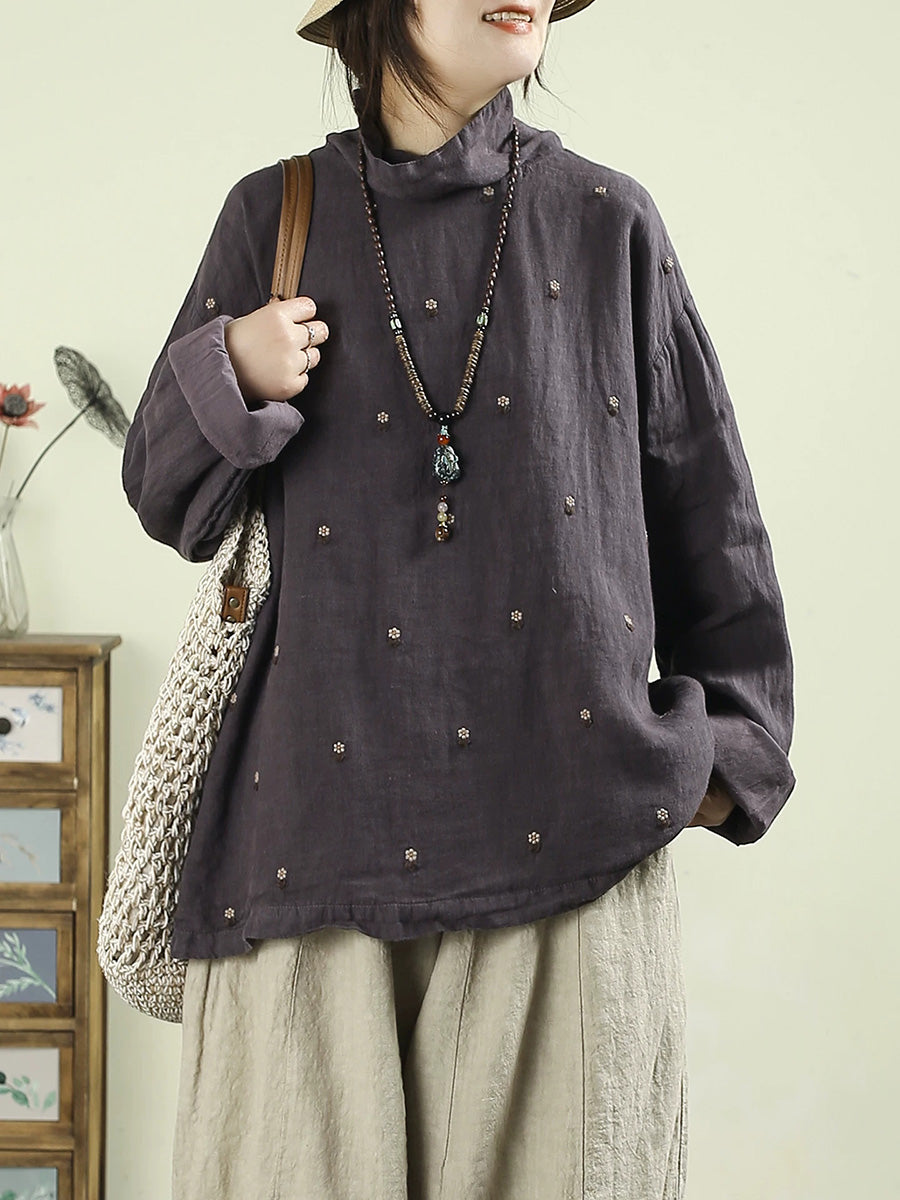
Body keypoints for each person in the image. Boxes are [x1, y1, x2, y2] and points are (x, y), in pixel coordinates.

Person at [122, 1, 796, 1196]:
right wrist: (232, 369)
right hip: (306, 870)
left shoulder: (609, 222)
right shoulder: (273, 216)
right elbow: (165, 498)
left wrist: (716, 762)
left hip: (571, 864)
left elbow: (716, 526)